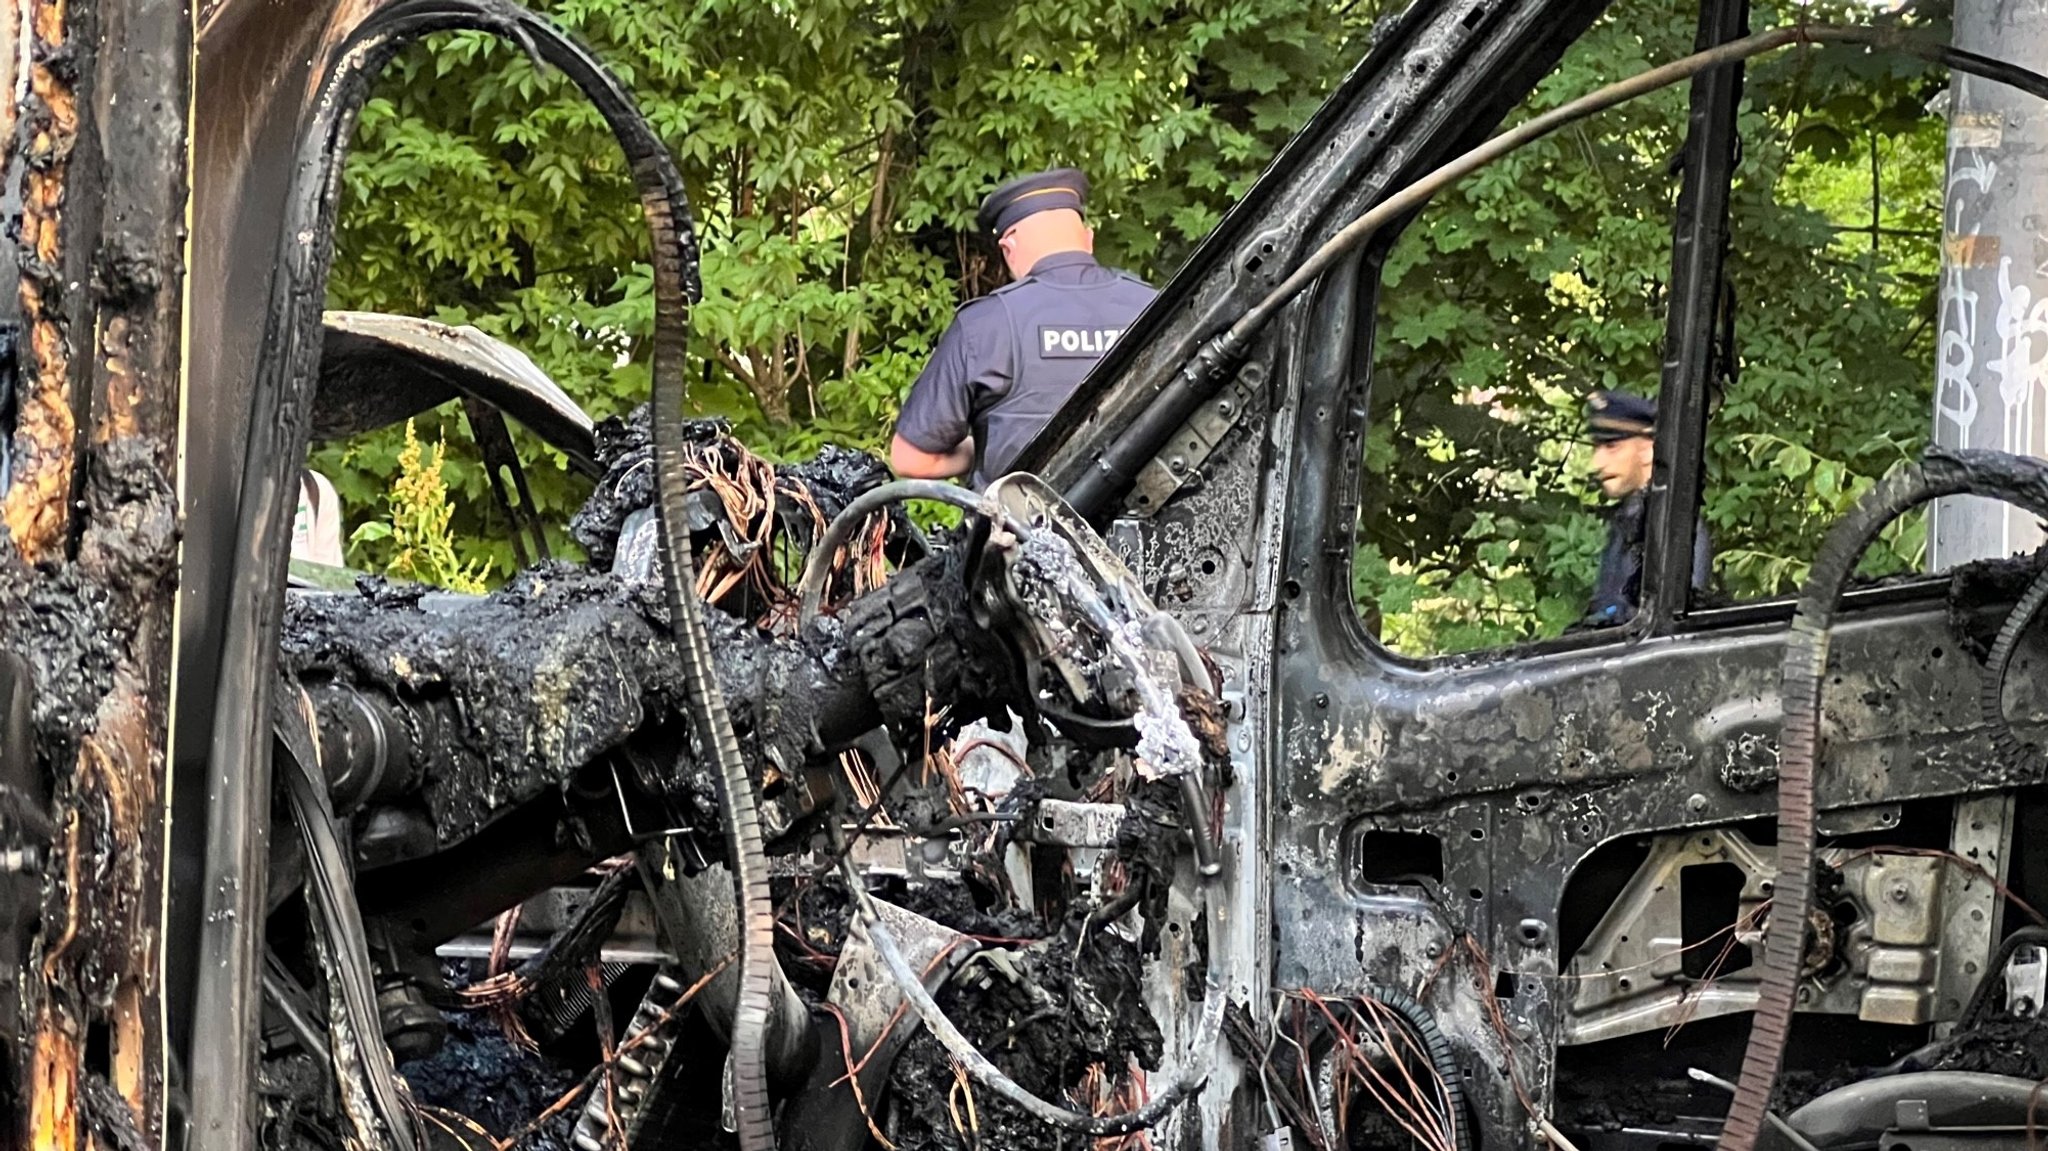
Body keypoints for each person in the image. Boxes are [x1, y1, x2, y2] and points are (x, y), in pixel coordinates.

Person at [890, 168, 1157, 488]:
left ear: (1008, 248)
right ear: (1088, 240)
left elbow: (911, 458)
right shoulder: (1153, 305)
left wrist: (983, 451)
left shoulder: (986, 324)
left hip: (1022, 532)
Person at [1583, 389, 1711, 627]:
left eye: (1612, 446)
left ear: (1647, 450)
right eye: (1595, 447)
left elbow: (1673, 629)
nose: (1597, 463)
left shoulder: (1675, 528)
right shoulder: (1625, 522)